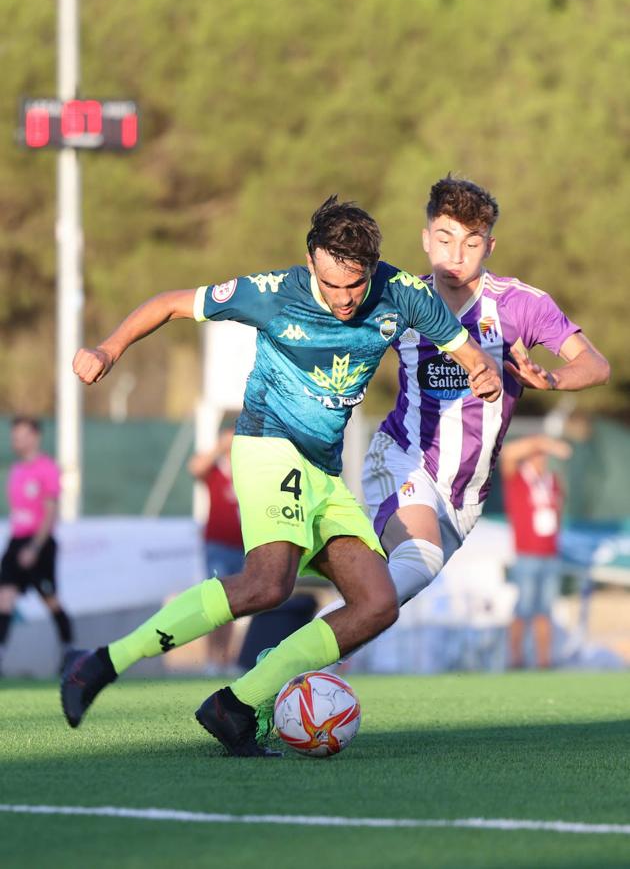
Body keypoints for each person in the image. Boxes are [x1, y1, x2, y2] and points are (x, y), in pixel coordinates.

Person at [61, 194, 502, 756]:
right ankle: (102, 663)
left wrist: (483, 373)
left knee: (377, 604)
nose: (345, 300)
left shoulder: (403, 295)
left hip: (323, 469)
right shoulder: (270, 294)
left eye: (355, 285)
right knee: (270, 583)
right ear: (311, 260)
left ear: (373, 268)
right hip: (268, 445)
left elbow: (466, 350)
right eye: (332, 285)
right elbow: (173, 303)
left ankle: (236, 705)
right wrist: (108, 348)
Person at [311, 175, 609, 678]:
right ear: (427, 238)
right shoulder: (399, 299)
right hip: (403, 458)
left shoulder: (520, 305)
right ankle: (285, 667)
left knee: (388, 598)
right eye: (444, 239)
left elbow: (596, 365)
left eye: (471, 243)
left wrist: (552, 379)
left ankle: (300, 656)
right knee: (413, 562)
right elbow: (335, 342)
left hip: (466, 494)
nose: (456, 255)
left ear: (488, 245)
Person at [0, 416, 74, 675]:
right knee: (4, 597)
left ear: (35, 436)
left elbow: (50, 511)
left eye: (21, 434)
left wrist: (34, 547)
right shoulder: (16, 470)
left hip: (39, 542)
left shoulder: (47, 468)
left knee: (50, 599)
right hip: (16, 541)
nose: (16, 440)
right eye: (14, 435)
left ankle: (70, 653)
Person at [501, 434, 572, 669]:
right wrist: (543, 442)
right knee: (523, 608)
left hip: (550, 553)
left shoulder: (552, 480)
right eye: (535, 455)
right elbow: (509, 454)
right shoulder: (518, 480)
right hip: (526, 555)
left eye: (543, 455)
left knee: (546, 610)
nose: (540, 459)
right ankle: (515, 658)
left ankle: (544, 661)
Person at [187, 418, 243, 675]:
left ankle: (224, 659)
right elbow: (195, 468)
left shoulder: (246, 468)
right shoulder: (215, 469)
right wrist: (220, 448)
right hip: (217, 545)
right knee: (214, 604)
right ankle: (210, 658)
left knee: (232, 607)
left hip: (242, 546)